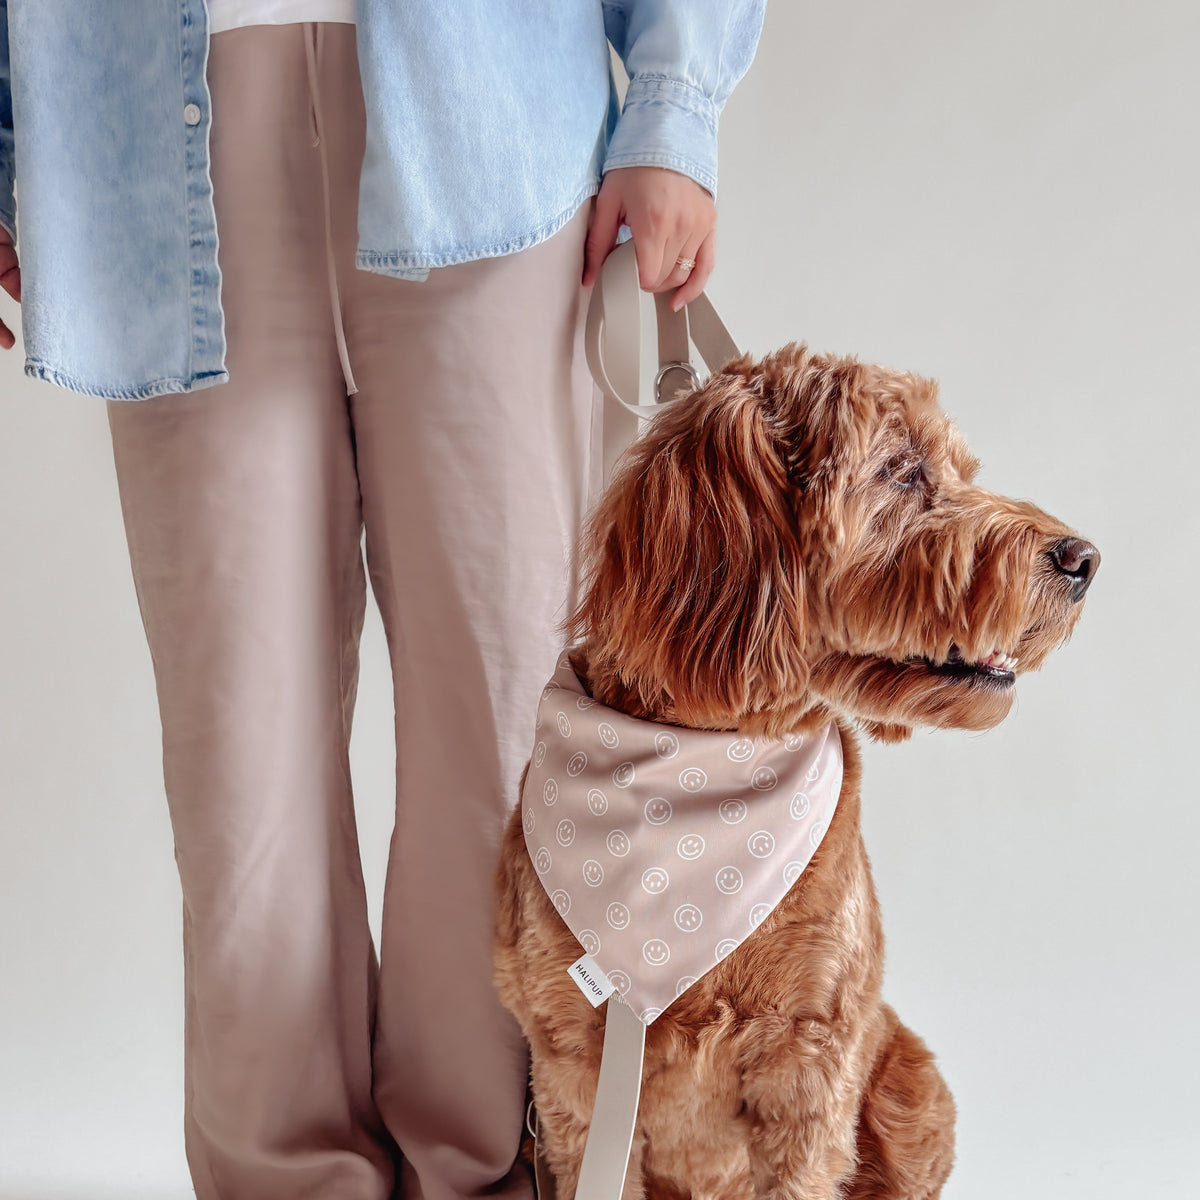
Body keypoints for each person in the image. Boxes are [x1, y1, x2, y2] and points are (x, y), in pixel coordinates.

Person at [0, 3, 765, 1199]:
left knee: (506, 730)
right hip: (152, 135)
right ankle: (281, 1180)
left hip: (491, 113)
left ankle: (491, 1169)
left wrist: (674, 107)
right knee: (237, 762)